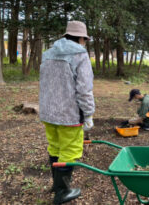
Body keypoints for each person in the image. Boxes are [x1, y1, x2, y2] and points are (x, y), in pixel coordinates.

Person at [39, 21, 95, 204]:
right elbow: (84, 89)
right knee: (70, 151)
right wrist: (88, 113)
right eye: (84, 39)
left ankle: (56, 185)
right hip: (69, 115)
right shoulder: (80, 55)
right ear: (81, 38)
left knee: (55, 147)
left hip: (48, 112)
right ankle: (62, 192)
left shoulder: (47, 54)